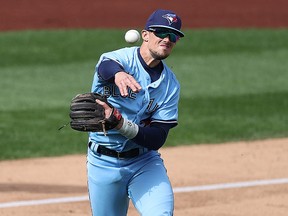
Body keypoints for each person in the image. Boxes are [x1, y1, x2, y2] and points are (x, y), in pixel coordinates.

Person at [87, 9, 184, 216]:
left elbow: (157, 137)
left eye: (173, 36)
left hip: (144, 163)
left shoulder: (170, 86)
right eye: (161, 32)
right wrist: (118, 74)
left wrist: (121, 124)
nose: (167, 39)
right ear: (145, 34)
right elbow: (105, 67)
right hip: (102, 163)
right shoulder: (119, 59)